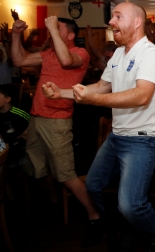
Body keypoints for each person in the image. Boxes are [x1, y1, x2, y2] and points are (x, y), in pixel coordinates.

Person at [42, 2, 155, 251]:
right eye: (112, 17)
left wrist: (93, 100)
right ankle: (128, 226)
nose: (111, 22)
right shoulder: (119, 54)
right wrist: (61, 93)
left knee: (131, 204)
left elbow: (142, 95)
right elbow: (101, 87)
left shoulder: (151, 53)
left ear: (137, 22)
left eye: (118, 16)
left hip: (143, 139)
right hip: (117, 136)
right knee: (93, 186)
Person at [10, 15, 100, 246]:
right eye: (52, 28)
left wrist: (51, 27)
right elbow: (19, 60)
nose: (51, 31)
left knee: (66, 174)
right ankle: (54, 202)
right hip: (36, 118)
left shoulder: (81, 54)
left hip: (58, 121)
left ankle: (94, 215)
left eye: (58, 28)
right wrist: (16, 35)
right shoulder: (49, 53)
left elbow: (66, 60)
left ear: (70, 35)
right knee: (37, 168)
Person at [0, 83, 30, 169]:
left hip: (24, 151)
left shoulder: (20, 114)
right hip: (6, 151)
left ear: (7, 99)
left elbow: (31, 132)